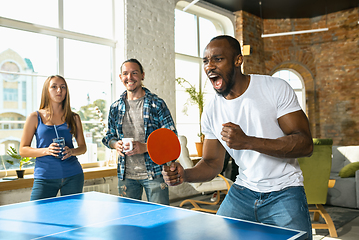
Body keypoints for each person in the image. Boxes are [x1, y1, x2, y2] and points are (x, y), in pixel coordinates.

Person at [163, 35, 314, 239]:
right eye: (206, 61)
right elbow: (212, 163)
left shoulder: (275, 88)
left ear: (237, 61)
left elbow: (305, 144)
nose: (210, 66)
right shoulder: (211, 110)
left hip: (284, 191)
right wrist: (185, 175)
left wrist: (248, 142)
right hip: (243, 191)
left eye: (218, 59)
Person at [102, 58, 177, 205]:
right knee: (129, 222)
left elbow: (171, 138)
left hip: (155, 173)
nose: (129, 77)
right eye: (125, 73)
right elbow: (108, 137)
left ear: (142, 75)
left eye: (134, 73)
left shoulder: (157, 104)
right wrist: (115, 144)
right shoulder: (115, 108)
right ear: (120, 77)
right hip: (126, 175)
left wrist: (145, 147)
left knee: (160, 218)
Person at [20, 75, 87, 200]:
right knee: (38, 215)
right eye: (54, 87)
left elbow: (83, 148)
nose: (59, 90)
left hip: (73, 175)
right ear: (47, 90)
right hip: (45, 177)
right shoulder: (34, 117)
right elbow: (23, 150)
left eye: (63, 87)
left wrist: (72, 151)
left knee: (70, 218)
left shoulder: (74, 117)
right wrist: (46, 150)